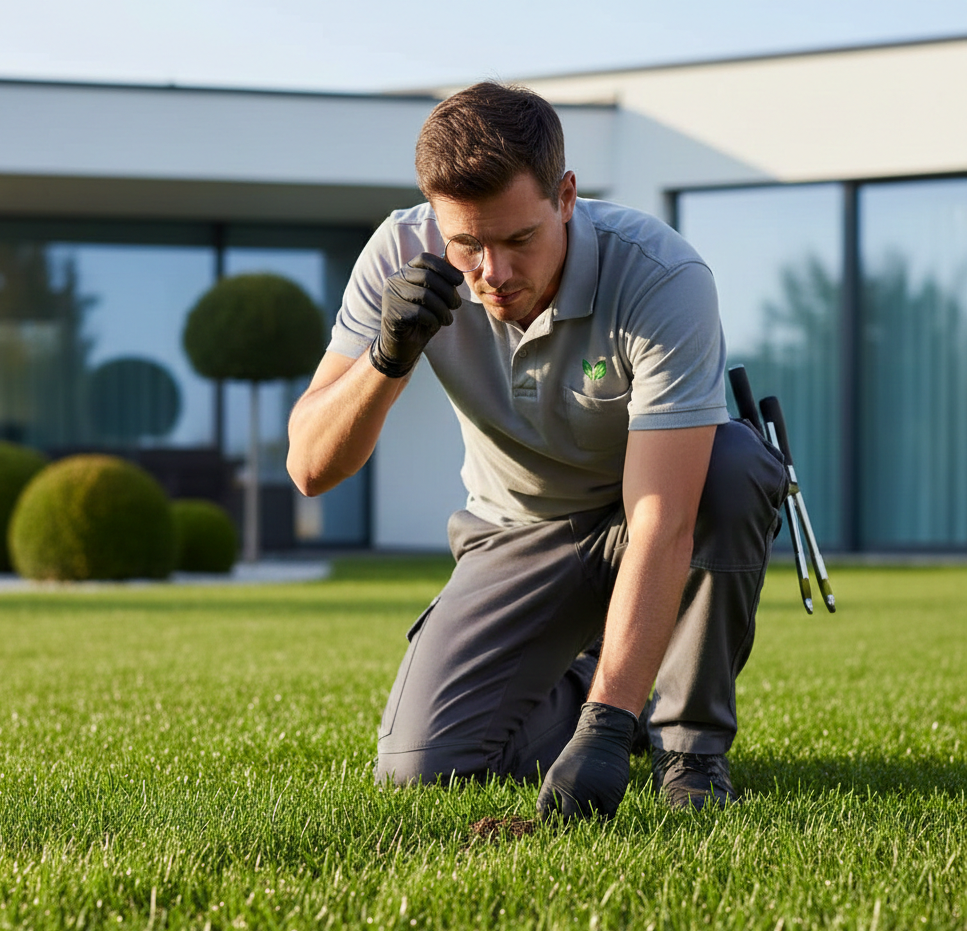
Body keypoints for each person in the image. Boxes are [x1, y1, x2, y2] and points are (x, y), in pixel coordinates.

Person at [287, 81, 788, 819]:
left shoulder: (661, 278)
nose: (492, 272)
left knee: (734, 466)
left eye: (518, 239)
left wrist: (609, 731)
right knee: (421, 768)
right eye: (467, 243)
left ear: (566, 197)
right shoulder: (399, 250)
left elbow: (662, 522)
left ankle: (687, 750)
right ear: (434, 217)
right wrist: (386, 359)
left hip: (639, 516)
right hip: (513, 534)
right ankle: (601, 680)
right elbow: (309, 466)